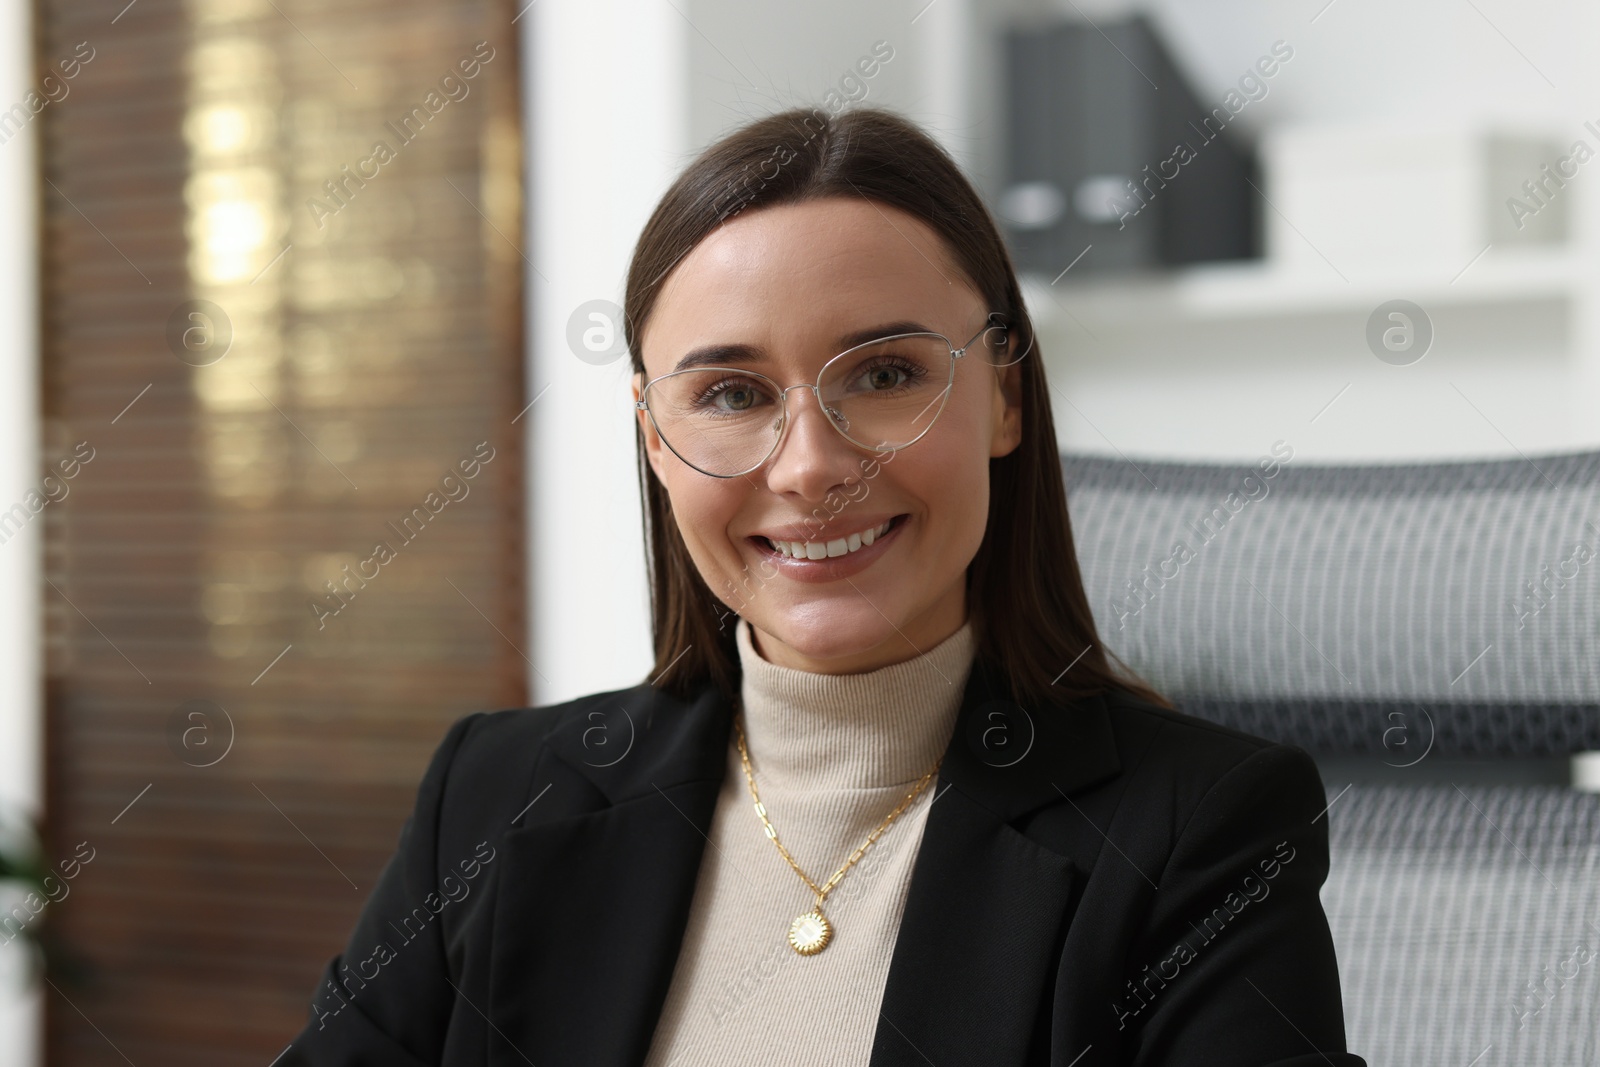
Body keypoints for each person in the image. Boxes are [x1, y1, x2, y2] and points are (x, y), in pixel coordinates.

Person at [279, 105, 1366, 1066]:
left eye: (885, 374)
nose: (807, 466)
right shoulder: (494, 794)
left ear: (1003, 397)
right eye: (732, 390)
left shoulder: (1200, 835)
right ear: (654, 436)